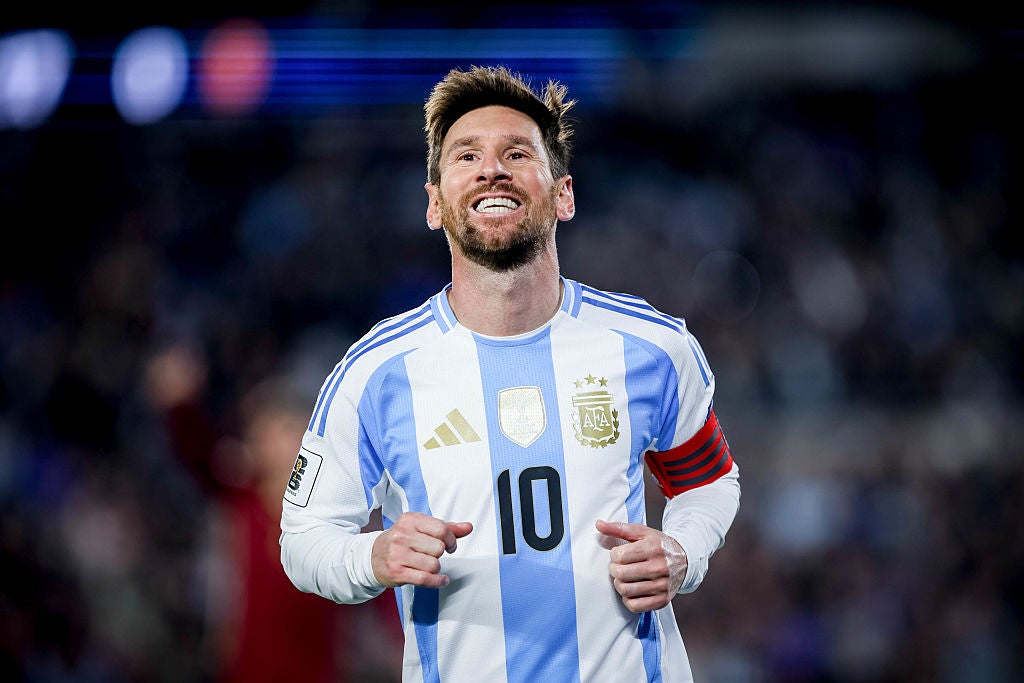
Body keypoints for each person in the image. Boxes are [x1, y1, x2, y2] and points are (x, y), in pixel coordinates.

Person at [280, 65, 741, 682]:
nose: (491, 169)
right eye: (466, 155)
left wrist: (684, 552)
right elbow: (303, 538)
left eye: (516, 153)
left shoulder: (652, 348)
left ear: (564, 194)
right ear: (435, 204)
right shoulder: (377, 374)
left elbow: (709, 482)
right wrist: (375, 554)